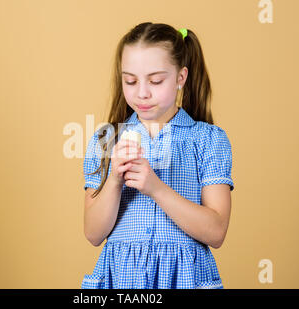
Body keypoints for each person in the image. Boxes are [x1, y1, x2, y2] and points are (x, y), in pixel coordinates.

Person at [81, 22, 234, 289]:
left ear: (180, 77)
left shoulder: (208, 139)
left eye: (155, 80)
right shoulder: (107, 140)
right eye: (130, 80)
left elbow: (216, 232)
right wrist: (115, 182)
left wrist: (156, 189)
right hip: (122, 279)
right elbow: (93, 234)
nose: (142, 92)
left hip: (185, 277)